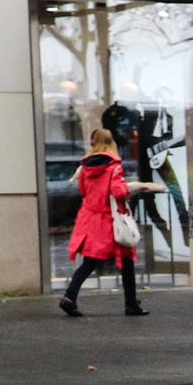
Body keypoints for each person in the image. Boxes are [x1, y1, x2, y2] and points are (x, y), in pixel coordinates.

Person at [60, 127, 152, 318]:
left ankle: (69, 297)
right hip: (109, 219)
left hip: (89, 218)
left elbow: (84, 191)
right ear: (111, 143)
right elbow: (118, 192)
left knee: (89, 261)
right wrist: (133, 187)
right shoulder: (114, 167)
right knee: (126, 259)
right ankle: (131, 304)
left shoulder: (85, 167)